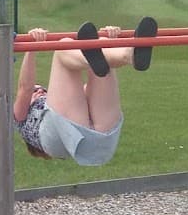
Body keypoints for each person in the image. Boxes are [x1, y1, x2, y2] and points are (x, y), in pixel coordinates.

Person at [13, 17, 157, 165]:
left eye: (41, 90)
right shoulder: (20, 118)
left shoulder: (64, 105)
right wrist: (31, 47)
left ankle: (128, 53)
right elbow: (25, 88)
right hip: (60, 136)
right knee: (64, 46)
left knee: (99, 46)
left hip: (103, 138)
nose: (39, 92)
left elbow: (93, 91)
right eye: (37, 91)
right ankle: (102, 49)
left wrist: (108, 39)